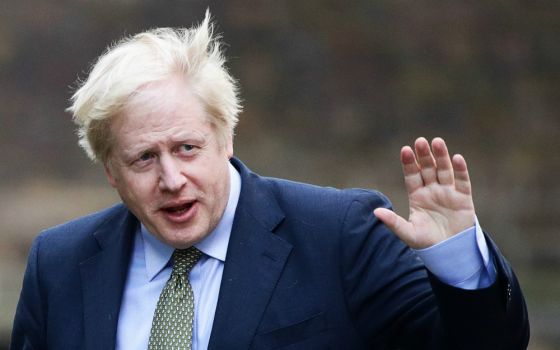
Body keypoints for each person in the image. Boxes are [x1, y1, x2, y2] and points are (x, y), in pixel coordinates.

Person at [10, 12, 529, 350]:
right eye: (144, 158)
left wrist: (458, 262)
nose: (172, 178)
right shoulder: (59, 264)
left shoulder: (340, 234)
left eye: (187, 148)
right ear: (110, 172)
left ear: (226, 137)